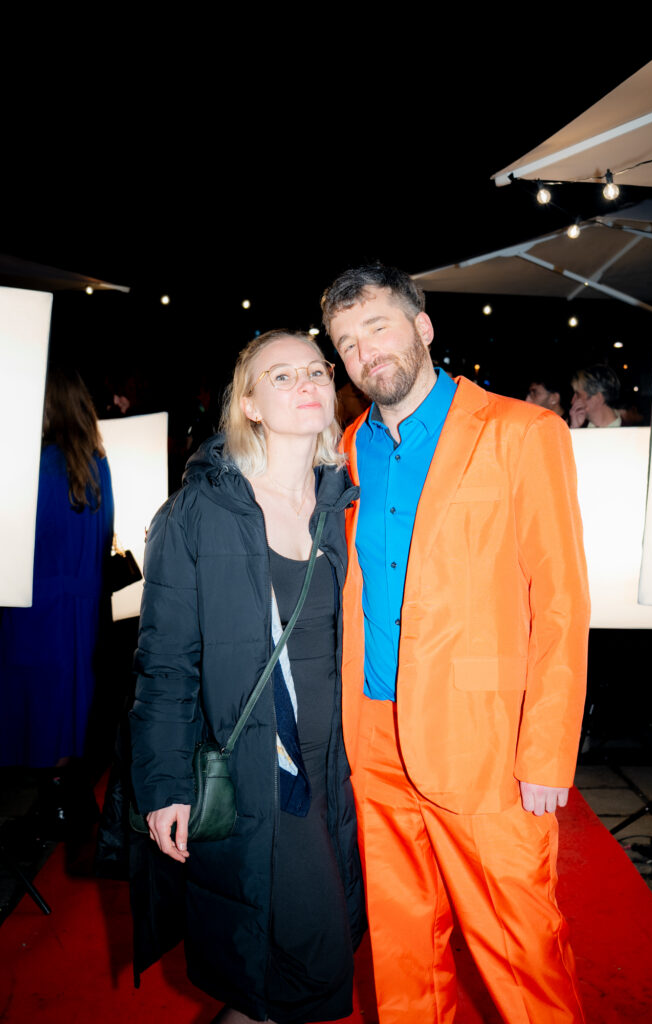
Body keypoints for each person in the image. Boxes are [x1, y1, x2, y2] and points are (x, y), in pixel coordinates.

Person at [321, 264, 590, 1024]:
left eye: (377, 326)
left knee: (522, 951)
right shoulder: (348, 448)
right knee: (402, 947)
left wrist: (546, 752)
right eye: (347, 343)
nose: (366, 352)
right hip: (372, 734)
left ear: (422, 326)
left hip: (485, 741)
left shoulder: (521, 432)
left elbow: (562, 602)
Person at [129, 330, 365, 1024]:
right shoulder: (197, 513)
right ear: (250, 405)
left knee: (287, 975)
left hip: (343, 769)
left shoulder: (343, 501)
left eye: (316, 370)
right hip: (264, 770)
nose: (306, 383)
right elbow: (165, 663)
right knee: (312, 968)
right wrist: (164, 786)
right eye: (281, 375)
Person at [0, 366, 114, 775]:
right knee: (68, 702)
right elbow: (105, 535)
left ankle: (42, 790)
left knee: (30, 703)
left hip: (35, 602)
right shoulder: (97, 465)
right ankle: (60, 790)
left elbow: (18, 537)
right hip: (81, 604)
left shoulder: (38, 465)